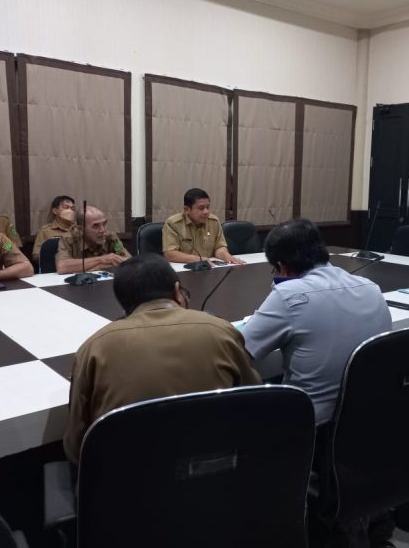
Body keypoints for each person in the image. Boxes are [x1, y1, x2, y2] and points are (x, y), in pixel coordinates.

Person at [63, 254, 261, 463]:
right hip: (216, 479)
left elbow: (77, 446)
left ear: (123, 305)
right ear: (177, 291)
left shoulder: (94, 347)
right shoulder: (221, 330)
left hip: (128, 489)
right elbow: (254, 402)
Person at [241, 218, 392, 426]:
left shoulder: (288, 294)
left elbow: (240, 351)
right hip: (365, 419)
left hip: (310, 425)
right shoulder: (371, 287)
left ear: (280, 266)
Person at [162, 188, 244, 266]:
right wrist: (199, 259)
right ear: (187, 210)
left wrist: (227, 256)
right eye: (201, 208)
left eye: (207, 207)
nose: (206, 212)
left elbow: (219, 247)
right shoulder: (173, 224)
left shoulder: (213, 221)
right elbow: (170, 254)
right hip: (184, 270)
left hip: (209, 269)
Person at [55, 205, 130, 274]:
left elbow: (130, 261)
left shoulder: (110, 237)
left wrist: (94, 266)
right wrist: (101, 260)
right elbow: (62, 267)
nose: (102, 230)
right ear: (81, 229)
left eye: (104, 224)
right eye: (96, 226)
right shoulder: (68, 238)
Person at [32, 195, 77, 262]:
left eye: (72, 208)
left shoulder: (78, 229)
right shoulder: (45, 231)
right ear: (55, 211)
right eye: (66, 207)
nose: (70, 211)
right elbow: (36, 256)